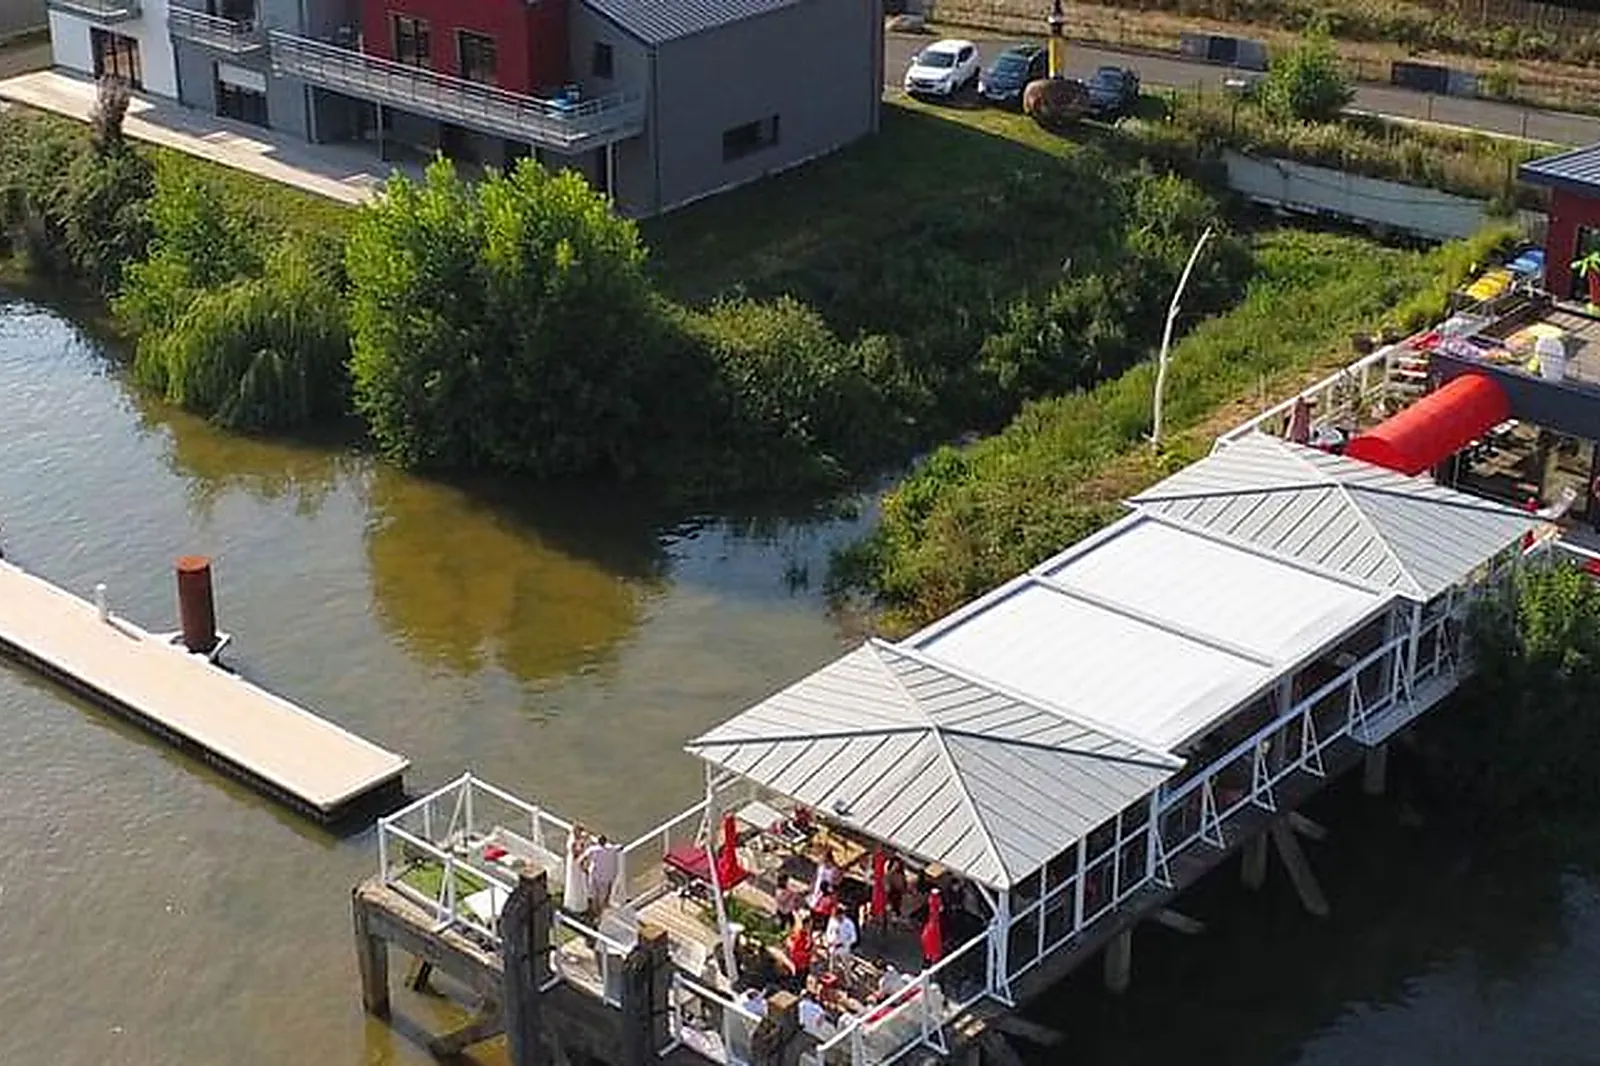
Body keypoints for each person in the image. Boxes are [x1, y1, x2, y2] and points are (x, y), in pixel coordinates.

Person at [582, 833, 620, 918]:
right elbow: (620, 847)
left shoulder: (593, 849)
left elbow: (583, 857)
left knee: (594, 895)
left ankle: (596, 913)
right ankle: (600, 914)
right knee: (602, 896)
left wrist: (584, 868)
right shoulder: (611, 849)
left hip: (595, 875)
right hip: (606, 877)